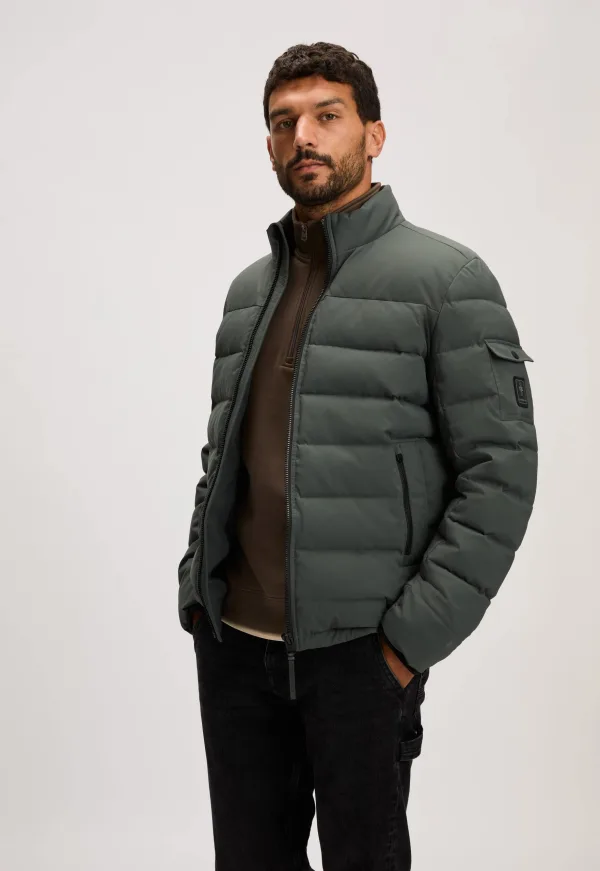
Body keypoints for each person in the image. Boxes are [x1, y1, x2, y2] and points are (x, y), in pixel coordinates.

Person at [177, 41, 538, 871]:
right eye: (283, 122)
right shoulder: (248, 291)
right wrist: (199, 586)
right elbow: (222, 453)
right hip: (235, 646)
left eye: (326, 116)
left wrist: (405, 643)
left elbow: (501, 473)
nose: (303, 136)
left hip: (359, 652)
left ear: (374, 135)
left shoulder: (447, 278)